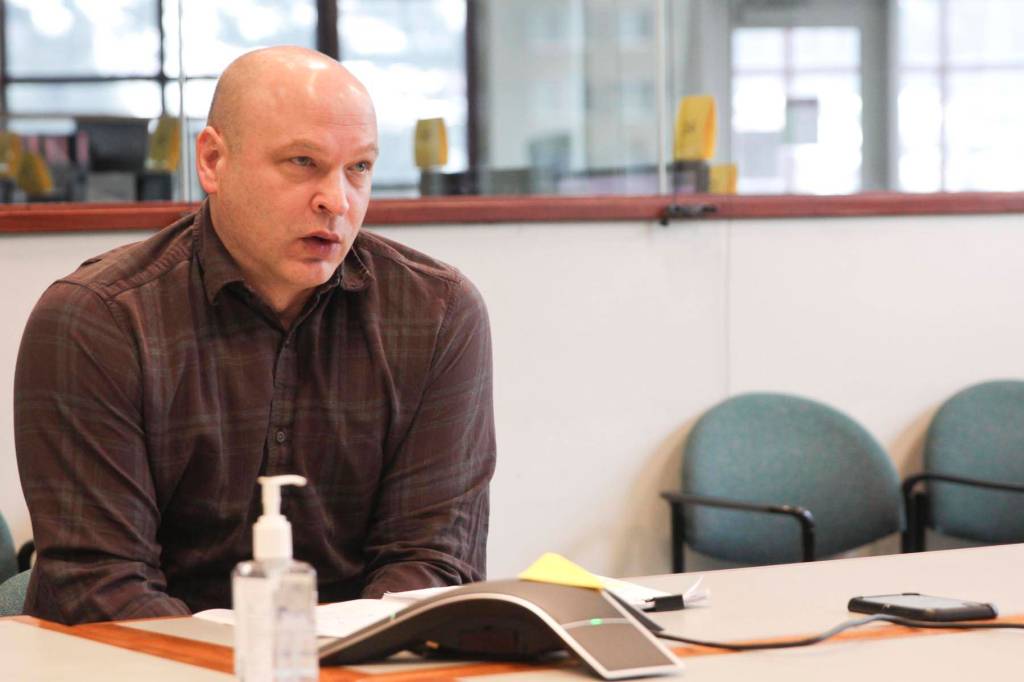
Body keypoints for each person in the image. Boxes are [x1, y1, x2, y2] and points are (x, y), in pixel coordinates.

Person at [14, 46, 496, 625]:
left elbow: (434, 563)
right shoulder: (97, 320)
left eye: (359, 168)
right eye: (301, 162)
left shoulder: (437, 314)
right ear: (213, 160)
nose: (336, 200)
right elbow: (100, 588)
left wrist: (334, 662)